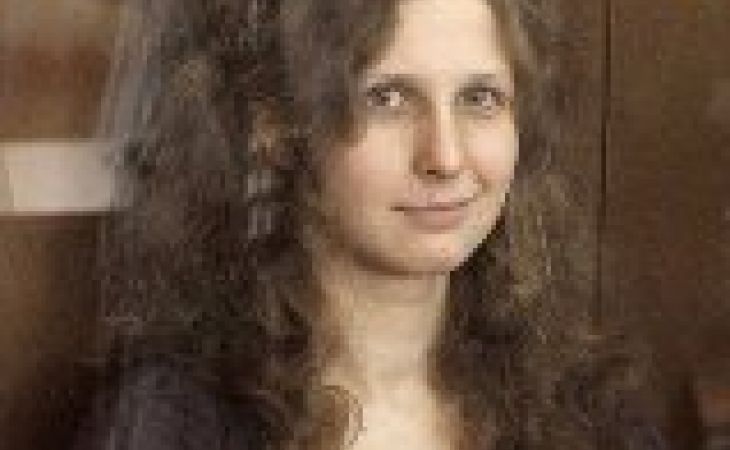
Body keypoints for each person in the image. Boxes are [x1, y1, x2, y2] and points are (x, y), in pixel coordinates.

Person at [72, 0, 668, 449]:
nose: (446, 157)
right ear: (276, 128)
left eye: (479, 98)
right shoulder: (177, 422)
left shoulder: (589, 412)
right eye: (388, 98)